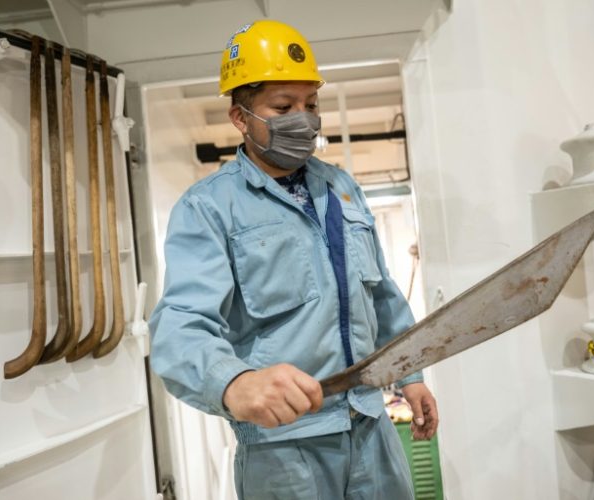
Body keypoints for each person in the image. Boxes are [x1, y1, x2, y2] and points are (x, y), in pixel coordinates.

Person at [149, 19, 439, 499]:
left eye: (311, 105)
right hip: (285, 448)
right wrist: (234, 383)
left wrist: (411, 375)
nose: (302, 120)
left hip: (371, 428)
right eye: (283, 107)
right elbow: (180, 326)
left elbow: (382, 295)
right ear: (240, 117)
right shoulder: (209, 208)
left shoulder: (342, 189)